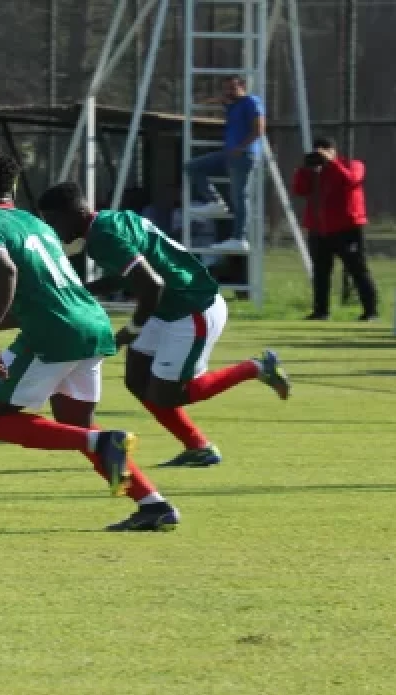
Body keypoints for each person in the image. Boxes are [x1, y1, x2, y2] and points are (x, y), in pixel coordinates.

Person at [0, 151, 178, 532]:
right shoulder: (34, 223)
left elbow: (4, 271)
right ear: (12, 188)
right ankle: (152, 504)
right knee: (77, 424)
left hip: (52, 334)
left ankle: (107, 447)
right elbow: (42, 292)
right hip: (91, 324)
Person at [39, 182, 291, 468]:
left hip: (191, 307)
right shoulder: (109, 221)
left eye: (54, 221)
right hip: (167, 306)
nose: (53, 229)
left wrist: (131, 330)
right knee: (137, 380)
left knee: (169, 394)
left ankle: (255, 369)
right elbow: (131, 276)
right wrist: (80, 291)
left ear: (77, 212)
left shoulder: (104, 236)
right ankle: (198, 447)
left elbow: (151, 284)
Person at [291, 137, 377, 321]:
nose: (320, 154)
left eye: (324, 150)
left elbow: (350, 180)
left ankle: (370, 311)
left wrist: (332, 163)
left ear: (333, 150)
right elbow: (299, 190)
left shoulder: (353, 165)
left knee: (357, 270)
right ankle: (321, 311)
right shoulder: (313, 172)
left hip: (347, 228)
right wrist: (305, 169)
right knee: (321, 272)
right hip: (319, 229)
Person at [185, 76, 266, 252]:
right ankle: (215, 201)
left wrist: (241, 147)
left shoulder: (251, 101)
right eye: (226, 89)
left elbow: (259, 129)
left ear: (243, 86)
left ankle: (239, 238)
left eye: (232, 88)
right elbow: (206, 102)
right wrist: (217, 99)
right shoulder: (233, 105)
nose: (229, 92)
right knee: (193, 166)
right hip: (230, 154)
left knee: (239, 195)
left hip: (244, 154)